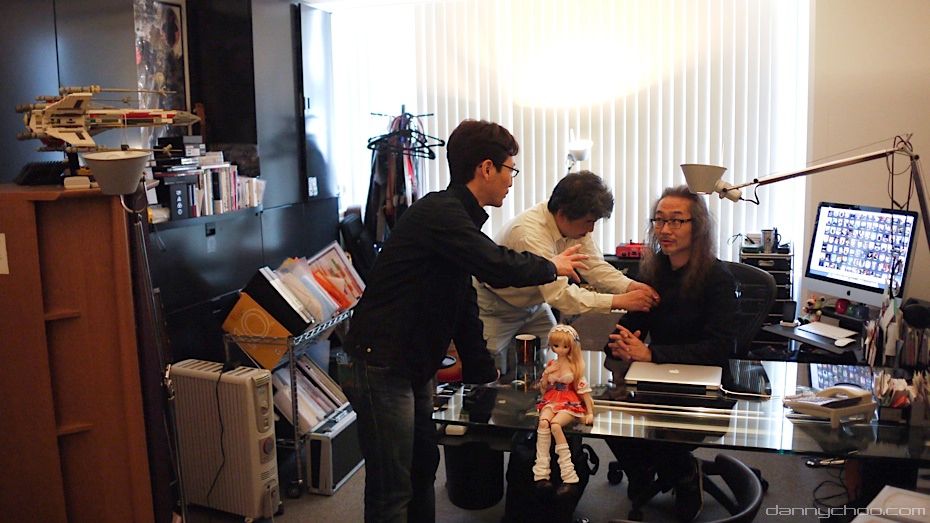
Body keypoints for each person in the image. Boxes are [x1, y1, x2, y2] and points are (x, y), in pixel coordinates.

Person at [341, 119, 589, 523]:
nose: (510, 181)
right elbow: (495, 265)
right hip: (381, 362)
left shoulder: (458, 218)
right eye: (510, 170)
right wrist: (552, 266)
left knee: (422, 469)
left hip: (412, 363)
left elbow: (462, 300)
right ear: (486, 168)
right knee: (393, 488)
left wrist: (481, 370)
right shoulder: (441, 212)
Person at [604, 185, 738, 522]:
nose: (665, 229)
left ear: (698, 227)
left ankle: (683, 475)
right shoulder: (653, 271)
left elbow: (720, 348)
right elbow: (631, 324)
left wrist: (650, 353)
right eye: (659, 220)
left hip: (705, 383)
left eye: (676, 221)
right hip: (656, 374)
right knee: (603, 411)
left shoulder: (717, 278)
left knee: (666, 428)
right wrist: (619, 342)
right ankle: (645, 472)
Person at [475, 170, 660, 373]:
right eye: (589, 222)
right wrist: (618, 301)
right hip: (496, 304)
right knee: (490, 369)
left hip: (534, 304)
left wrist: (629, 286)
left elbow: (593, 265)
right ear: (563, 214)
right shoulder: (529, 235)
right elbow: (561, 296)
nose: (591, 230)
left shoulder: (573, 224)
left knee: (554, 357)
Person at [532, 324, 594, 491]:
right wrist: (547, 373)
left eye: (565, 346)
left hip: (569, 400)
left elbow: (584, 391)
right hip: (552, 398)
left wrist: (589, 412)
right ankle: (541, 471)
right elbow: (544, 389)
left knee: (555, 425)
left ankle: (568, 472)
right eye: (556, 345)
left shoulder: (575, 366)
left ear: (571, 347)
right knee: (543, 423)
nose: (560, 349)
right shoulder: (552, 363)